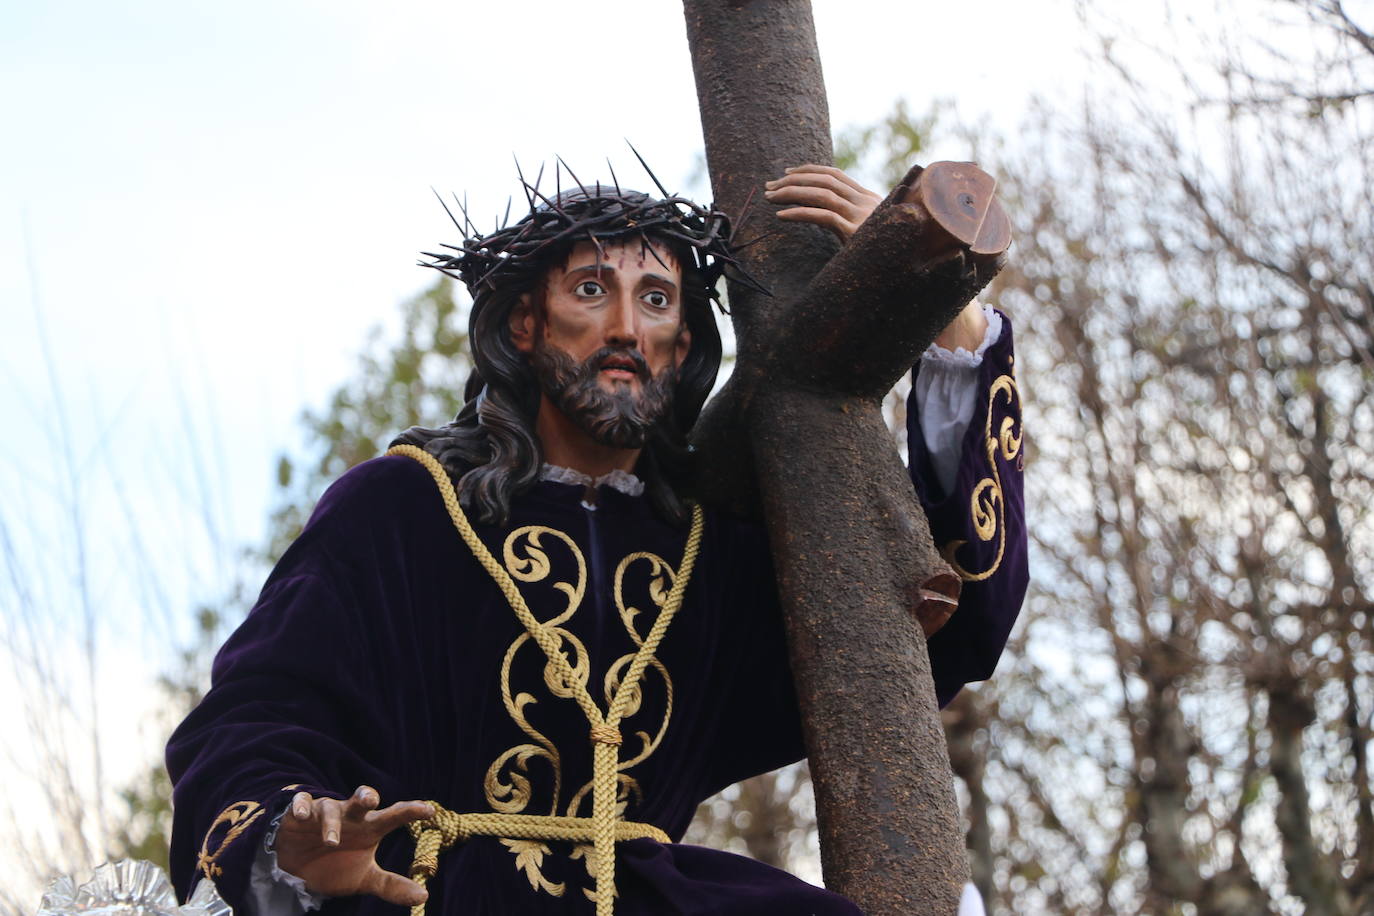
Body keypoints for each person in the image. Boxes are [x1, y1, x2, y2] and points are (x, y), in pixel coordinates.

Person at [166, 163, 1027, 915]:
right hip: (430, 893)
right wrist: (292, 840)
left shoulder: (709, 557)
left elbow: (927, 638)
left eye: (656, 300)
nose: (626, 328)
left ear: (683, 342)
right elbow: (255, 718)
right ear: (524, 327)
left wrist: (947, 318)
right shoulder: (402, 512)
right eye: (589, 291)